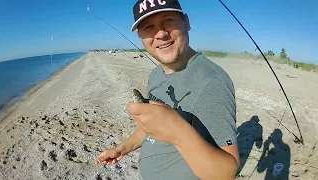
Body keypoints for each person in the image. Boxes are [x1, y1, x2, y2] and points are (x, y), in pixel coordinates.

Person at [96, 0, 240, 179]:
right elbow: (151, 126)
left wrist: (178, 132)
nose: (161, 34)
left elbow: (226, 173)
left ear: (186, 23)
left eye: (168, 20)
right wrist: (121, 148)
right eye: (148, 27)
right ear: (141, 37)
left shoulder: (212, 82)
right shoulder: (155, 74)